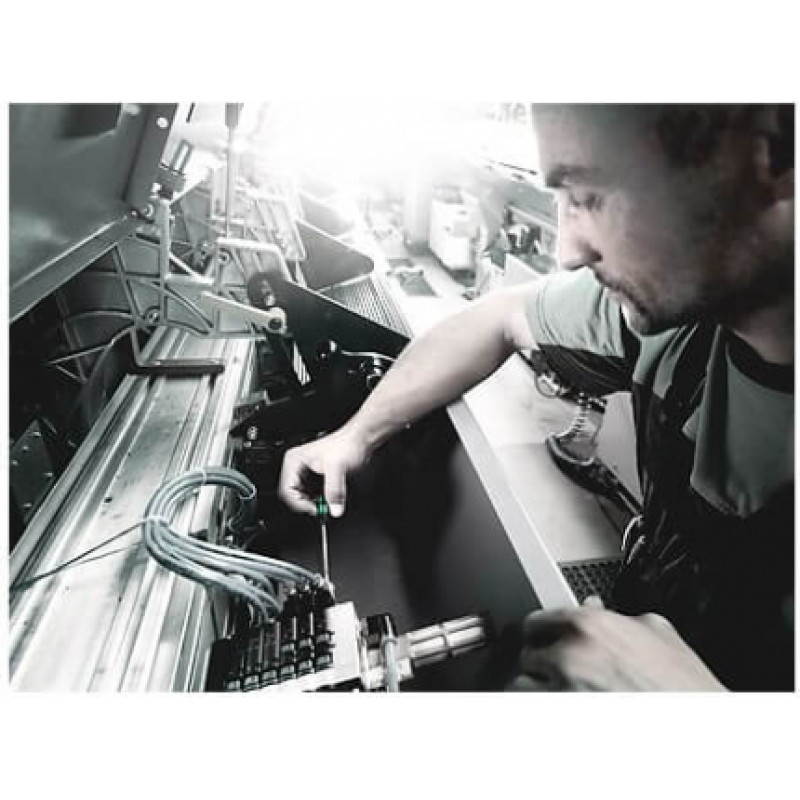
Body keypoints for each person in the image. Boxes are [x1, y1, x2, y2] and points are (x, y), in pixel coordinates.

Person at [278, 105, 794, 691]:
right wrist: (356, 436)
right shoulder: (682, 321)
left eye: (590, 196)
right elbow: (496, 319)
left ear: (770, 153)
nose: (568, 251)